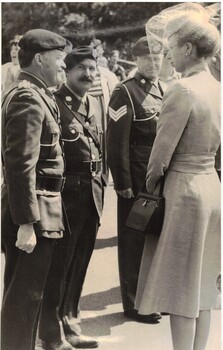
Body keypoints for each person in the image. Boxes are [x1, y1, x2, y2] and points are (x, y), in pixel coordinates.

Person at [135, 6, 221, 350]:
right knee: (202, 282)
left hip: (184, 191)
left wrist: (151, 186)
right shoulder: (217, 87)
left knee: (181, 285)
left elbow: (160, 157)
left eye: (171, 47)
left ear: (188, 49)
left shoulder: (181, 90)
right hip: (211, 188)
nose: (167, 54)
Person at [1, 29, 69, 350]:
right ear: (40, 59)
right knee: (23, 303)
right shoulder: (29, 97)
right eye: (60, 60)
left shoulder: (39, 94)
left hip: (45, 205)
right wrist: (26, 223)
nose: (63, 67)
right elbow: (21, 166)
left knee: (33, 296)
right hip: (33, 209)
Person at [39, 46, 105, 349]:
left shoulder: (95, 101)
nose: (89, 75)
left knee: (80, 264)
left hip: (92, 192)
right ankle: (52, 331)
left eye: (93, 69)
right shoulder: (54, 101)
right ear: (67, 71)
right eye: (82, 69)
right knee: (59, 266)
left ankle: (71, 320)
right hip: (67, 194)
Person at [107, 36, 166, 323]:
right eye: (148, 59)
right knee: (133, 242)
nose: (154, 64)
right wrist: (122, 183)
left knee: (156, 239)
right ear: (137, 60)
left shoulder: (163, 90)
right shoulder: (125, 92)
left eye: (159, 58)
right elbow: (116, 143)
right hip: (137, 183)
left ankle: (154, 296)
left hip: (159, 181)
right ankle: (132, 303)